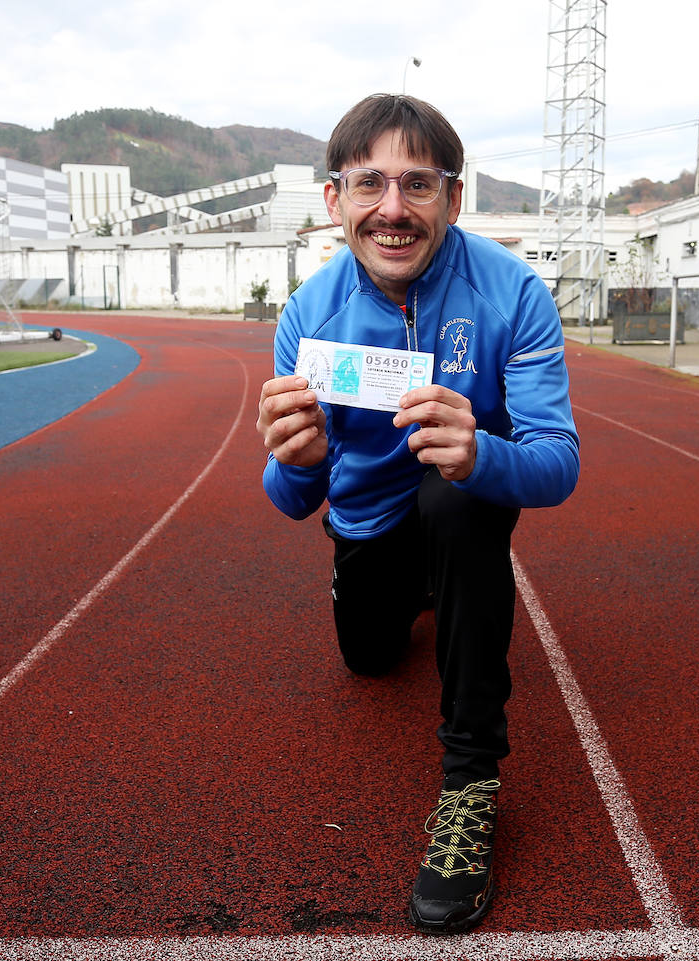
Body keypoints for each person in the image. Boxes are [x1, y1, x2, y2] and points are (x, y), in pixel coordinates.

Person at [255, 93, 579, 935]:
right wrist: (296, 462)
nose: (393, 209)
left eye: (418, 184)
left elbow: (558, 462)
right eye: (370, 183)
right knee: (370, 659)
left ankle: (471, 781)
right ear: (335, 200)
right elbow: (289, 500)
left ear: (454, 198)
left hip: (459, 507)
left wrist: (483, 454)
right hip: (363, 530)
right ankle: (412, 589)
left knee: (457, 495)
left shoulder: (514, 293)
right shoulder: (307, 316)